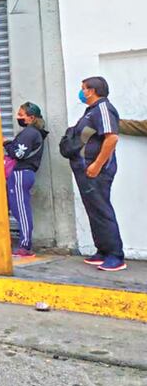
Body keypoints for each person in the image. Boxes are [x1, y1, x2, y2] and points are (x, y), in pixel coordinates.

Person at [67, 76, 126, 271]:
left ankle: (115, 255)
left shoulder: (103, 108)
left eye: (83, 88)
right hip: (86, 168)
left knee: (101, 209)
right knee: (93, 209)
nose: (81, 92)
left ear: (91, 91)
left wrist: (97, 165)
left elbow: (112, 138)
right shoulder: (91, 111)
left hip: (97, 170)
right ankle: (102, 250)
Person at [4, 102, 48, 259]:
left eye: (21, 115)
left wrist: (6, 143)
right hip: (20, 174)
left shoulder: (30, 133)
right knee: (16, 208)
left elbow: (18, 154)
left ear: (31, 117)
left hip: (21, 174)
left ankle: (25, 246)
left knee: (21, 210)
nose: (18, 117)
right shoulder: (31, 132)